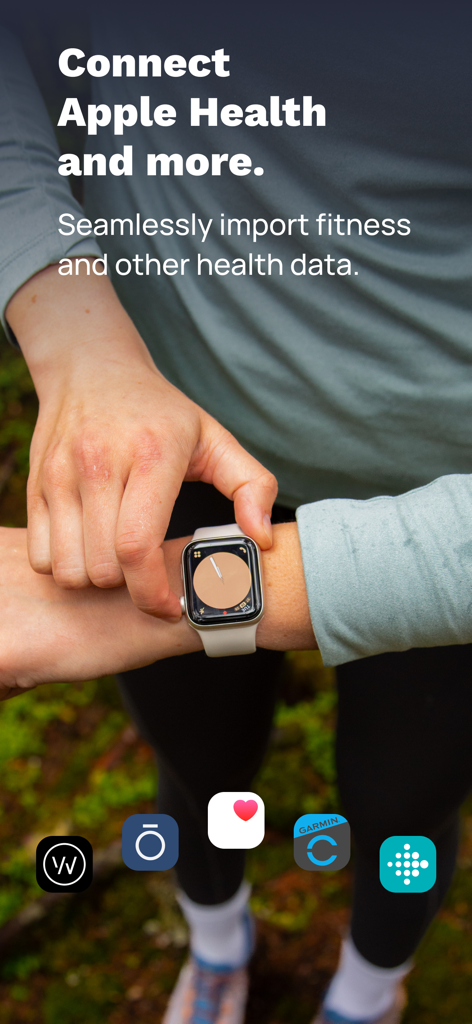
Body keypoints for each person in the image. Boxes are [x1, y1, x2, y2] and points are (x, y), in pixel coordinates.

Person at [1, 2, 472, 1021]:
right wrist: (72, 332)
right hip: (163, 440)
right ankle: (218, 945)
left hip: (447, 494)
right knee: (199, 765)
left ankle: (368, 993)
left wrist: (168, 603)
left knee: (406, 801)